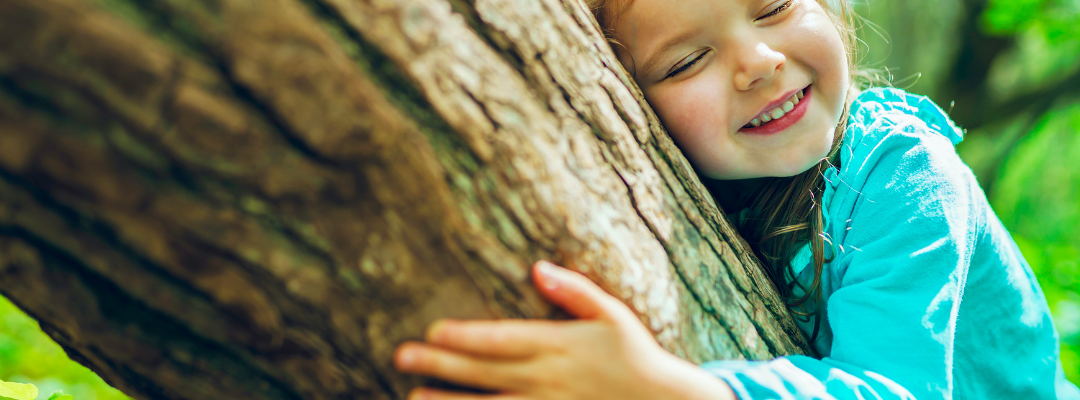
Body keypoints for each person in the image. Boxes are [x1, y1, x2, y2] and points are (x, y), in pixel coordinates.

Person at [391, 0, 1080, 398]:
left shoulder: (902, 177)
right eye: (687, 61)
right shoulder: (690, 189)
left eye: (774, 6)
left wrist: (664, 390)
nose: (758, 62)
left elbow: (895, 388)